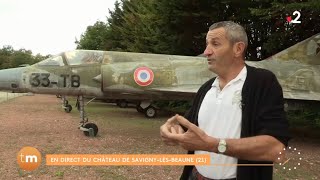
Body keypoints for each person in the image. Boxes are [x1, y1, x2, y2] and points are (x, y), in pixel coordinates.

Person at [160, 21, 290, 180]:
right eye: (207, 44)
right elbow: (189, 127)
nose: (206, 52)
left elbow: (275, 149)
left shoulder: (262, 82)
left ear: (238, 49)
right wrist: (173, 130)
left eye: (215, 44)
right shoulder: (206, 88)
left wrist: (211, 144)